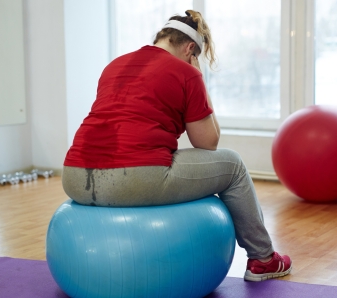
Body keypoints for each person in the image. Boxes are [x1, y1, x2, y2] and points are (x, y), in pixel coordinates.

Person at [62, 10, 292, 282]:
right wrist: (200, 82)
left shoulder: (115, 65)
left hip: (74, 176)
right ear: (190, 49)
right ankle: (264, 259)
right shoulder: (186, 72)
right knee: (233, 165)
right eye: (197, 58)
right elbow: (208, 143)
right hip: (134, 177)